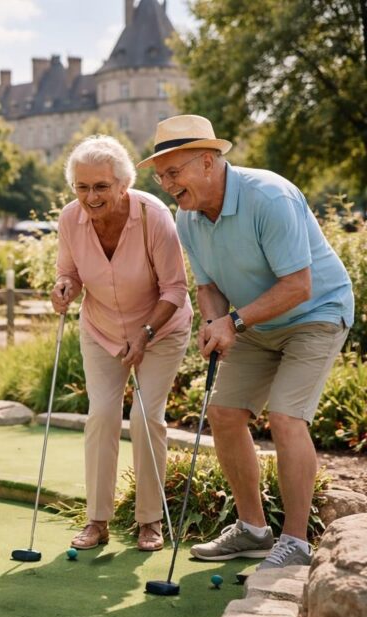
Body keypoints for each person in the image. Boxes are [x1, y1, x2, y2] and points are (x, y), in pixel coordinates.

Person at [139, 115, 353, 570]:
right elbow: (208, 285)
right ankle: (253, 530)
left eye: (173, 172)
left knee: (286, 416)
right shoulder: (188, 219)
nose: (167, 185)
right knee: (224, 413)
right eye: (160, 177)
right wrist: (214, 321)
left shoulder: (269, 196)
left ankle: (295, 543)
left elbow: (298, 286)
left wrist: (233, 321)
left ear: (208, 161)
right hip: (256, 321)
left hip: (316, 314)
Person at [51, 135, 193, 552]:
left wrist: (145, 334)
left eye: (101, 186)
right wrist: (64, 287)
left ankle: (150, 521)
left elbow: (175, 289)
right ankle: (97, 520)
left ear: (123, 184)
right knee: (101, 415)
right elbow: (69, 273)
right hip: (102, 329)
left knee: (147, 417)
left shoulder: (153, 216)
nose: (90, 197)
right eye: (82, 187)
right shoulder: (70, 218)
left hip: (160, 329)